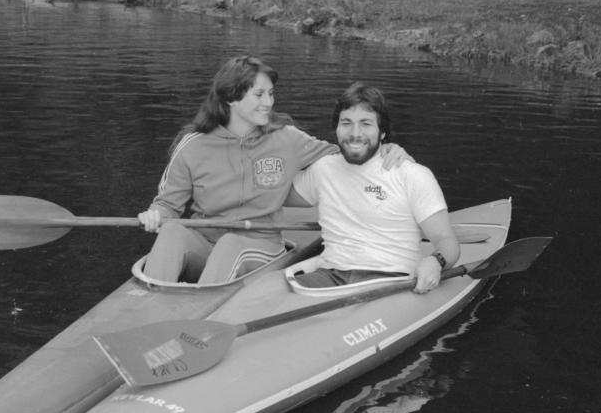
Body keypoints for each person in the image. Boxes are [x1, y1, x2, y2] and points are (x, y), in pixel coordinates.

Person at [136, 56, 409, 285]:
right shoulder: (193, 145)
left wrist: (385, 149)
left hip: (260, 245)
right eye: (259, 94)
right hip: (206, 243)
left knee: (231, 245)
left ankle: (193, 325)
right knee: (172, 231)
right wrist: (155, 215)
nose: (269, 102)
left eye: (270, 93)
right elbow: (167, 205)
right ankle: (146, 310)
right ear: (231, 98)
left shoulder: (286, 138)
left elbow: (345, 154)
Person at [286, 82, 459, 294]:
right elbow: (274, 196)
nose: (355, 133)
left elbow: (447, 242)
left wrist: (435, 262)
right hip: (330, 275)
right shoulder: (323, 169)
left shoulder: (412, 174)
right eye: (346, 123)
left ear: (382, 132)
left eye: (366, 124)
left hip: (391, 281)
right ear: (337, 129)